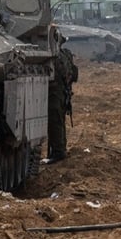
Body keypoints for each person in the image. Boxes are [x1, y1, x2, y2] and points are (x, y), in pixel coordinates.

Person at [48, 31, 79, 161]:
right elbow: (74, 75)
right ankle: (59, 150)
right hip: (63, 92)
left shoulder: (57, 57)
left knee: (55, 122)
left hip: (56, 92)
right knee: (58, 121)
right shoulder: (66, 55)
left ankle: (58, 152)